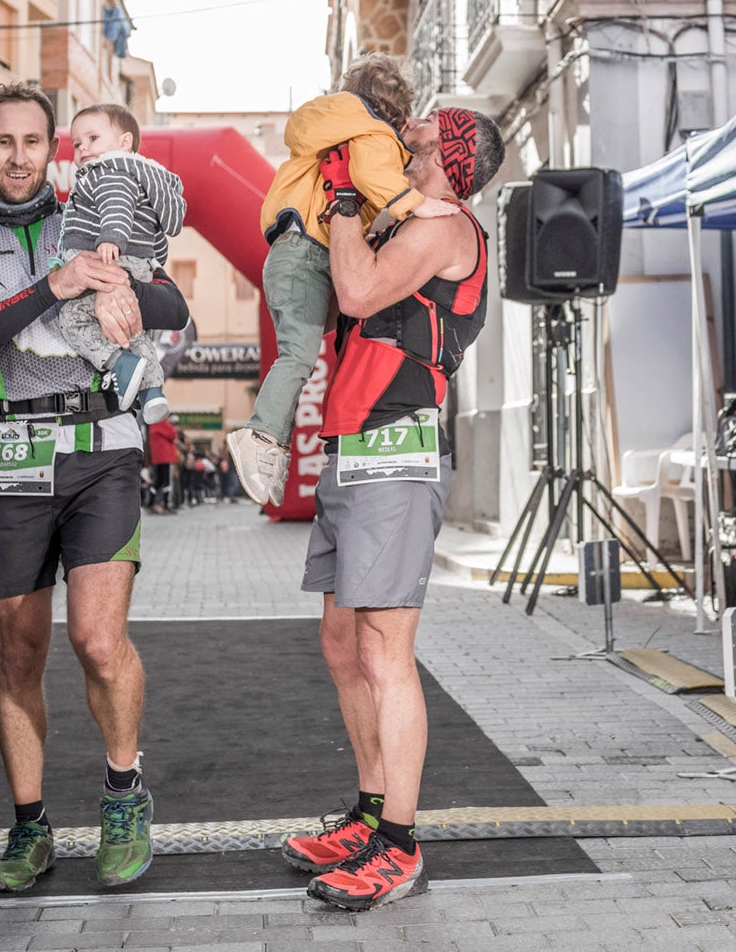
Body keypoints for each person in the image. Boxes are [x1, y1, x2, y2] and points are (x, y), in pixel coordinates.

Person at [0, 81, 188, 894]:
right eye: (2, 142)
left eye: (33, 141)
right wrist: (58, 286)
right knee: (19, 652)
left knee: (98, 643)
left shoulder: (97, 211)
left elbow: (172, 302)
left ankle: (122, 794)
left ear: (53, 148)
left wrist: (120, 289)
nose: (18, 156)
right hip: (6, 454)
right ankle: (29, 827)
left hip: (101, 446)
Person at [282, 106, 504, 911]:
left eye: (422, 133)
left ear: (452, 154)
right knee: (343, 641)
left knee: (384, 650)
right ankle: (372, 812)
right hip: (353, 444)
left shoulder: (447, 225)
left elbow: (359, 286)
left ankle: (399, 845)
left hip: (397, 448)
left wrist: (342, 203)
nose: (405, 134)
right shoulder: (406, 215)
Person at [226, 55, 459, 503]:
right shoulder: (374, 138)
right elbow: (374, 177)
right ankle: (260, 437)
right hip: (305, 253)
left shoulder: (341, 131)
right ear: (398, 110)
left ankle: (274, 440)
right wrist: (418, 205)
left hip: (295, 252)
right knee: (297, 356)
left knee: (302, 351)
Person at [56, 103, 186, 423]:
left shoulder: (108, 170)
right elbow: (155, 234)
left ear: (124, 142)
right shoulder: (143, 175)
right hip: (136, 262)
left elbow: (117, 202)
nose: (83, 148)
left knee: (73, 319)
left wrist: (111, 238)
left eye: (93, 138)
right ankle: (152, 391)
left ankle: (119, 363)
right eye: (76, 143)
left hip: (108, 257)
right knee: (130, 326)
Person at [146, 417, 178, 515]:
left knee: (157, 482)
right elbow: (173, 434)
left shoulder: (151, 424)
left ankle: (150, 503)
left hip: (157, 457)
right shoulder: (162, 422)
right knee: (167, 482)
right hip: (166, 456)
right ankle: (167, 505)